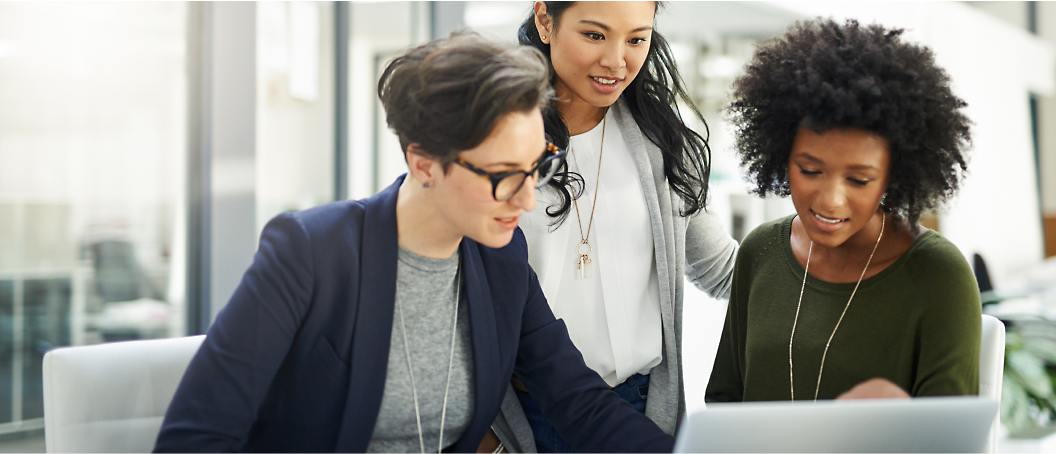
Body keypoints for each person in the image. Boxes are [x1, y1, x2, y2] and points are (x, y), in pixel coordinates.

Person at [153, 31, 675, 454]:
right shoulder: (310, 253)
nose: (527, 201)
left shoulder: (501, 259)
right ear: (423, 162)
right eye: (501, 175)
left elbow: (576, 399)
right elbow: (196, 438)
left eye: (536, 169)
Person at [488, 2, 739, 453]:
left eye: (636, 39)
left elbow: (722, 270)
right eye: (595, 35)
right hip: (524, 420)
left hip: (640, 410)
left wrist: (840, 258)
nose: (617, 60)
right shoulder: (492, 140)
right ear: (546, 21)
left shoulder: (660, 138)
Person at [705, 18, 980, 403]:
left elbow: (950, 440)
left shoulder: (937, 275)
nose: (830, 200)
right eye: (810, 170)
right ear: (782, 156)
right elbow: (724, 401)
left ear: (893, 176)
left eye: (859, 180)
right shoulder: (761, 251)